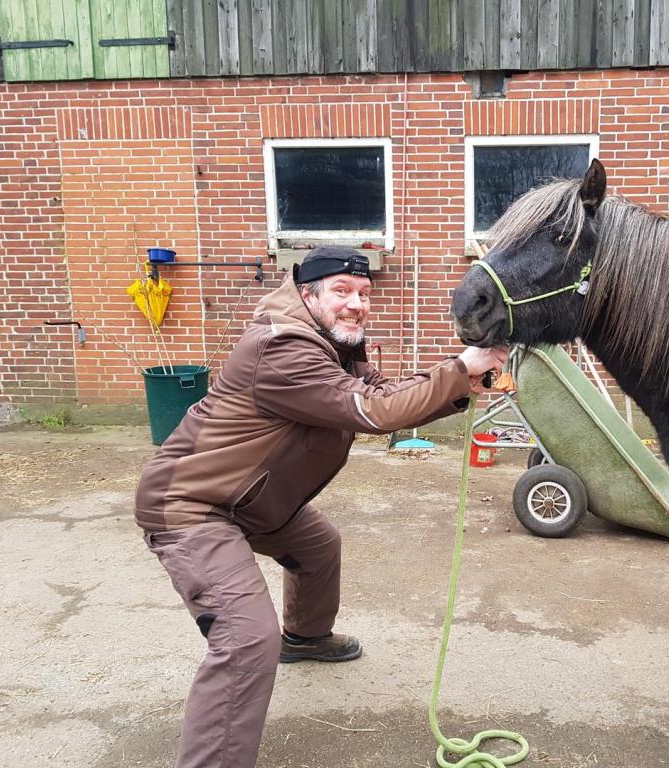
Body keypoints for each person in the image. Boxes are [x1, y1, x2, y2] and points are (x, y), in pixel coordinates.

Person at [135, 246, 507, 768]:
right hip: (192, 505)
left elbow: (381, 390)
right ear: (307, 294)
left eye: (364, 293)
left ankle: (306, 639)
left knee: (317, 546)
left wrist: (458, 381)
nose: (356, 304)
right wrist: (457, 367)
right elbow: (372, 410)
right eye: (341, 291)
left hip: (254, 500)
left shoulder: (333, 342)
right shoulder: (281, 346)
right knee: (245, 641)